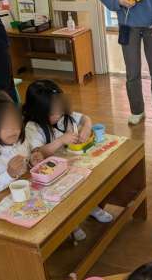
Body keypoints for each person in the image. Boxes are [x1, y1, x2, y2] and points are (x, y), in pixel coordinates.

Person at [23, 79, 114, 241]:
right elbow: (38, 153)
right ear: (39, 111)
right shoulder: (32, 127)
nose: (58, 114)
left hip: (71, 164)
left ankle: (91, 207)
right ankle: (73, 224)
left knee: (87, 184)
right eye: (53, 112)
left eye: (59, 108)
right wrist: (61, 140)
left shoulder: (64, 116)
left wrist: (86, 128)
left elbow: (85, 118)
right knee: (66, 196)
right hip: (52, 173)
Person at [0, 91, 43, 202]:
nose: (12, 128)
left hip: (25, 194)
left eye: (15, 121)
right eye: (4, 124)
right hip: (0, 202)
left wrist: (32, 161)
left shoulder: (21, 141)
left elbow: (25, 168)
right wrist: (9, 174)